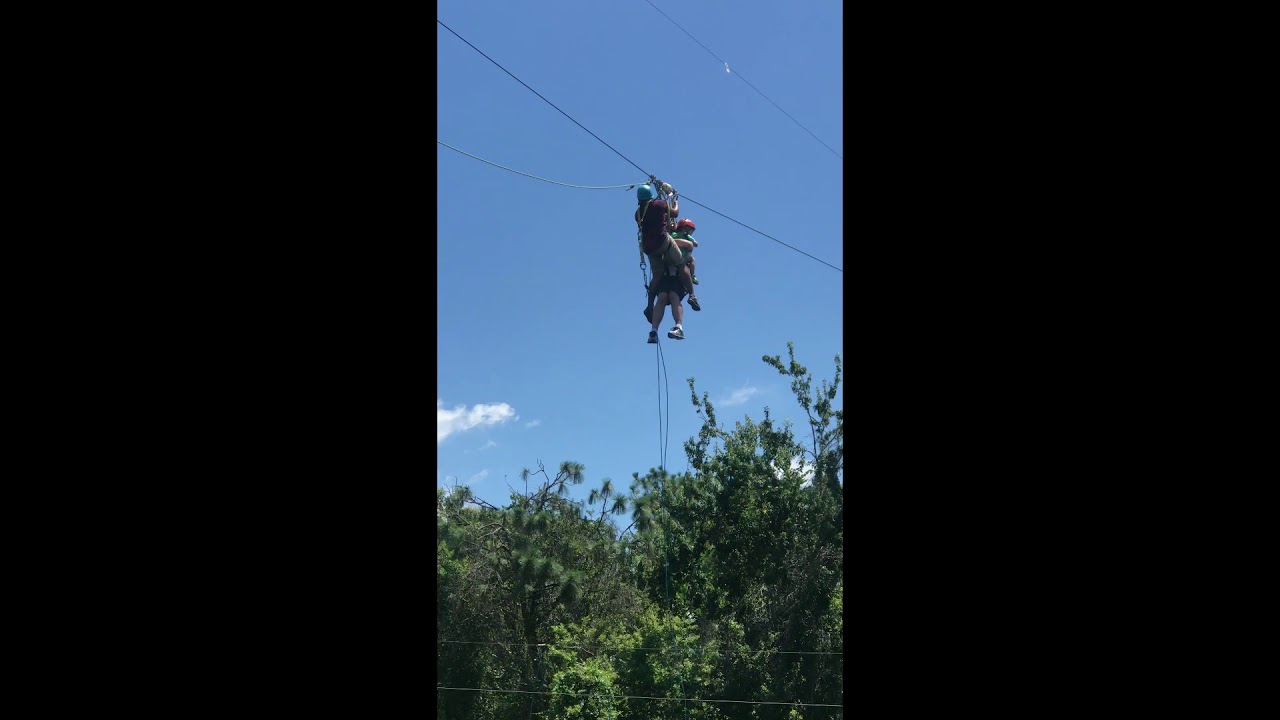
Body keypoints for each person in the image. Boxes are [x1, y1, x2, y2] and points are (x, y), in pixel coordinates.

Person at [635, 184, 700, 322]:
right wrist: (675, 203)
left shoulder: (638, 213)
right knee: (682, 264)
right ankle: (692, 295)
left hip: (650, 248)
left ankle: (649, 305)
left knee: (657, 275)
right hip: (663, 242)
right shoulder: (659, 204)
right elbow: (674, 213)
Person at [647, 267, 687, 342]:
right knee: (662, 297)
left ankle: (679, 327)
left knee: (673, 295)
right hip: (663, 274)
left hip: (677, 274)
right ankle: (654, 331)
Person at [670, 218, 699, 285]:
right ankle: (692, 275)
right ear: (685, 229)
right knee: (692, 260)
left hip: (673, 255)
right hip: (683, 256)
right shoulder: (686, 236)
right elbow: (696, 244)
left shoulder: (674, 234)